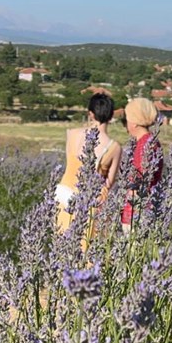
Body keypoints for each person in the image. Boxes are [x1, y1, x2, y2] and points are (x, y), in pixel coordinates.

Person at [55, 93, 122, 236]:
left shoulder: (72, 134)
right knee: (87, 250)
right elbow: (109, 182)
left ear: (90, 114)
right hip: (92, 203)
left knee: (62, 246)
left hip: (64, 196)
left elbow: (69, 163)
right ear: (111, 116)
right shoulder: (114, 147)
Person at [121, 97, 164, 232]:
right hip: (147, 209)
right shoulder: (152, 141)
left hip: (137, 214)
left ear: (134, 123)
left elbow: (138, 181)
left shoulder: (144, 145)